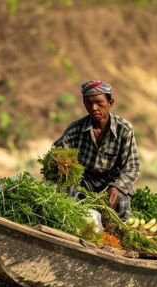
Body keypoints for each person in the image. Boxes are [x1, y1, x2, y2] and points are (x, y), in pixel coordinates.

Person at [53, 80, 140, 220]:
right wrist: (64, 169)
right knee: (66, 195)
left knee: (121, 202)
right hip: (83, 180)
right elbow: (57, 153)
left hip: (111, 180)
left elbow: (132, 167)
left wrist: (117, 186)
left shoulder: (124, 129)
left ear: (110, 103)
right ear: (84, 104)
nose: (94, 107)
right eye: (89, 103)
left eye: (99, 103)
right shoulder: (75, 129)